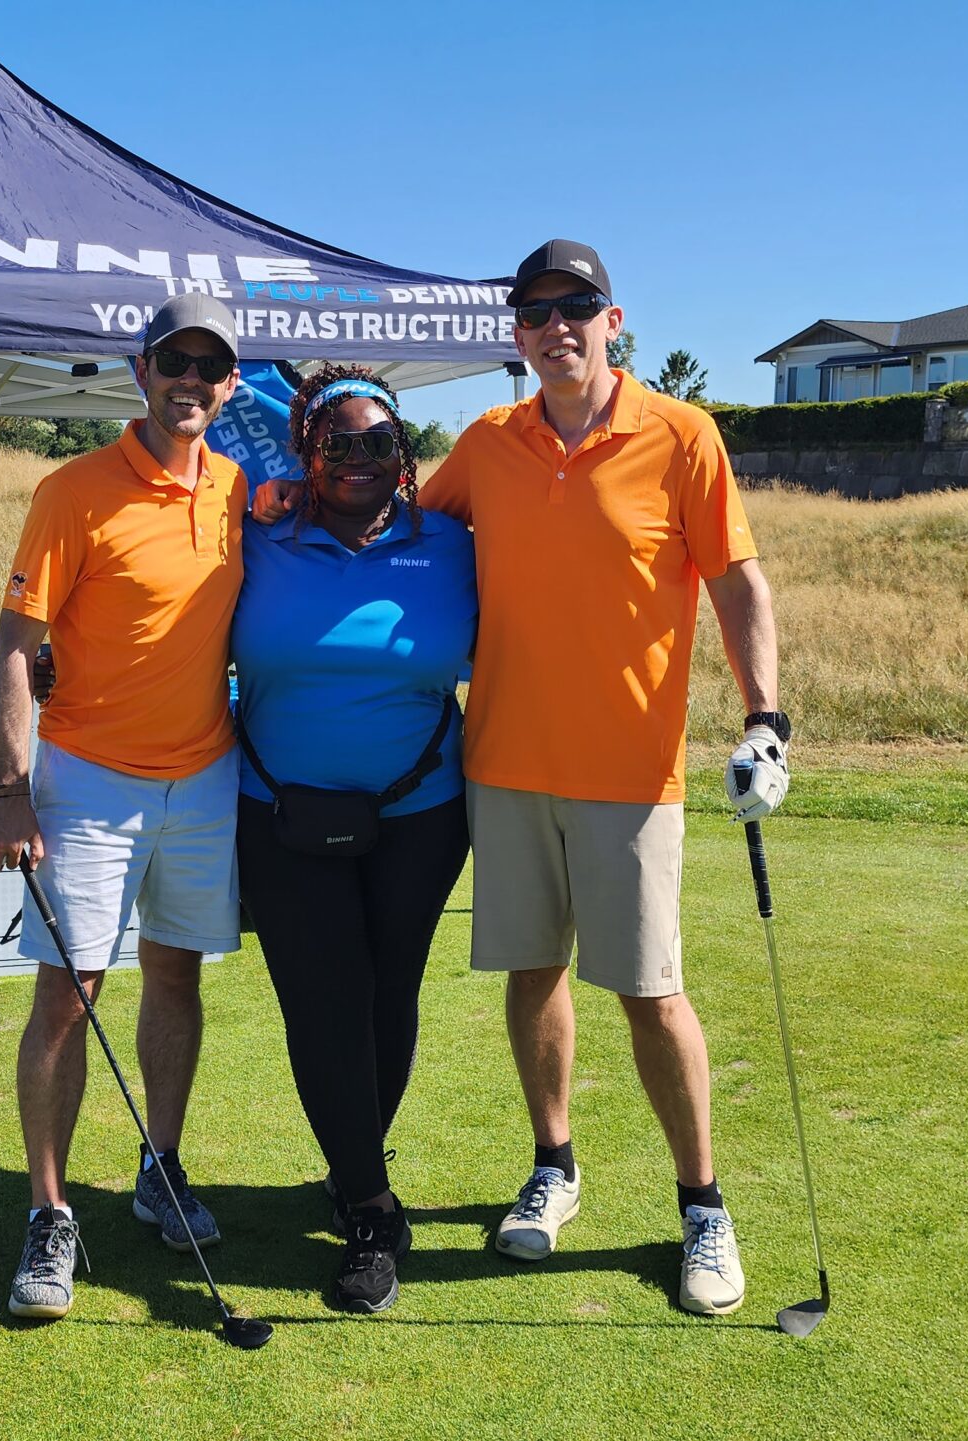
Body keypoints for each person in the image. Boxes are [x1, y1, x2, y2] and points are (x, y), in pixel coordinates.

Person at [263, 241, 790, 1314]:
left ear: (612, 320)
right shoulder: (489, 443)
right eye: (537, 311)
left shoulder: (682, 435)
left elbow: (736, 579)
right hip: (500, 766)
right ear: (517, 333)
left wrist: (765, 719)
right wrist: (284, 493)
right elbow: (393, 507)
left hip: (628, 771)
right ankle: (553, 1165)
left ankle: (702, 1205)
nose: (558, 326)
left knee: (650, 991)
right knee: (533, 972)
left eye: (576, 306)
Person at [0, 293, 249, 1323]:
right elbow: (15, 646)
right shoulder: (73, 490)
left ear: (230, 385)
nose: (190, 381)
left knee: (176, 974)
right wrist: (12, 789)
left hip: (205, 777)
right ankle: (49, 1213)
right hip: (88, 780)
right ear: (141, 371)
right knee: (68, 993)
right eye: (173, 362)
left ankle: (159, 1168)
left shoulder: (238, 490)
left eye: (208, 367)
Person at [230, 365, 475, 1314]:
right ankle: (373, 1210)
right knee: (322, 998)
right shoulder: (253, 535)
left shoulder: (451, 545)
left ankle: (351, 1165)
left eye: (379, 441)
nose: (359, 458)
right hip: (278, 810)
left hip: (422, 813)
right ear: (307, 452)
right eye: (338, 442)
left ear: (402, 451)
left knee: (388, 990)